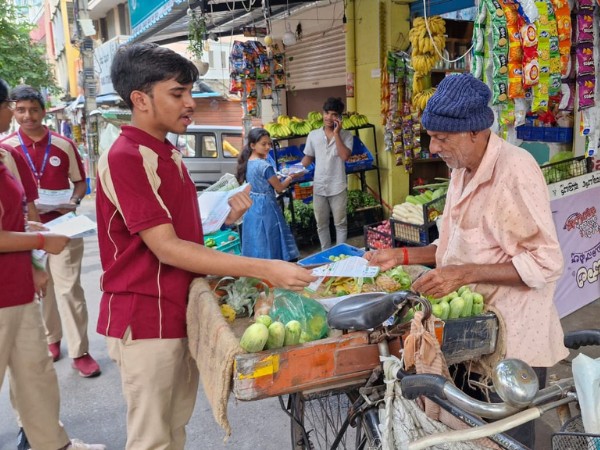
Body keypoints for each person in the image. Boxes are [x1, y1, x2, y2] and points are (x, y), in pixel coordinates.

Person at [97, 42, 315, 450]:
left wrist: (225, 219)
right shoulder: (126, 155)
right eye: (177, 93)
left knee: (174, 429)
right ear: (140, 100)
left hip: (181, 307)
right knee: (152, 438)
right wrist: (264, 268)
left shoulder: (166, 152)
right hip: (145, 315)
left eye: (189, 92)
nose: (190, 103)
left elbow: (178, 233)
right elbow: (166, 248)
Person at [365, 74, 568, 448]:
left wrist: (465, 274)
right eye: (431, 136)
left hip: (511, 345)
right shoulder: (461, 170)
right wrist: (402, 255)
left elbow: (545, 262)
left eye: (442, 137)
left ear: (475, 132)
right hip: (471, 335)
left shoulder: (515, 172)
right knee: (468, 434)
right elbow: (455, 246)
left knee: (506, 438)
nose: (433, 146)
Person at [0, 78, 105, 450]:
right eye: (16, 108)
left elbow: (76, 185)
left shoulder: (60, 145)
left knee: (37, 373)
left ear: (44, 111)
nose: (23, 115)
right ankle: (54, 341)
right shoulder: (7, 148)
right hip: (17, 266)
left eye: (31, 109)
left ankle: (54, 441)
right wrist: (38, 239)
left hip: (46, 246)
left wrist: (63, 211)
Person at [236, 127, 301, 261]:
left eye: (269, 144)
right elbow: (279, 188)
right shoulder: (265, 166)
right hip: (267, 206)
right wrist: (289, 178)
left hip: (252, 204)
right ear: (253, 145)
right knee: (271, 237)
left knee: (257, 238)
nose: (268, 147)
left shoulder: (248, 162)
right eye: (263, 144)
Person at [301, 97, 353, 250]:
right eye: (326, 113)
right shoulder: (313, 135)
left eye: (334, 114)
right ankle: (326, 254)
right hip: (319, 187)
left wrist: (337, 133)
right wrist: (293, 170)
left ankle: (340, 255)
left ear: (339, 117)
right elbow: (308, 157)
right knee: (321, 224)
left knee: (340, 224)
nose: (329, 117)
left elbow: (345, 156)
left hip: (338, 186)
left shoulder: (347, 136)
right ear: (322, 113)